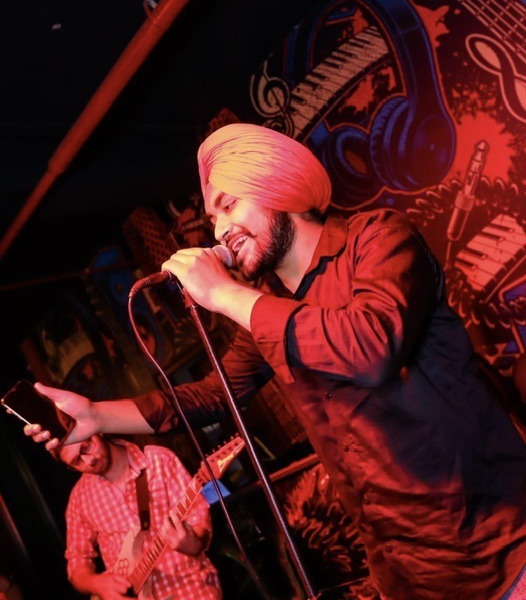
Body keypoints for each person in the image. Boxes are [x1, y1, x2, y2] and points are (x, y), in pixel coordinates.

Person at [25, 123, 526, 600]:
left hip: (498, 553)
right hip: (409, 577)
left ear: (277, 187)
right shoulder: (267, 310)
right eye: (213, 217)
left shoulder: (378, 239)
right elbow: (212, 396)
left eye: (228, 205)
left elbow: (369, 347)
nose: (220, 230)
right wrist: (97, 415)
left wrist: (223, 295)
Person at [51, 433, 222, 599]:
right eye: (77, 461)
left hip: (191, 590)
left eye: (86, 447)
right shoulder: (80, 498)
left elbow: (199, 519)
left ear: (97, 431)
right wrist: (97, 584)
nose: (89, 460)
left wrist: (191, 544)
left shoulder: (159, 460)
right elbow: (77, 561)